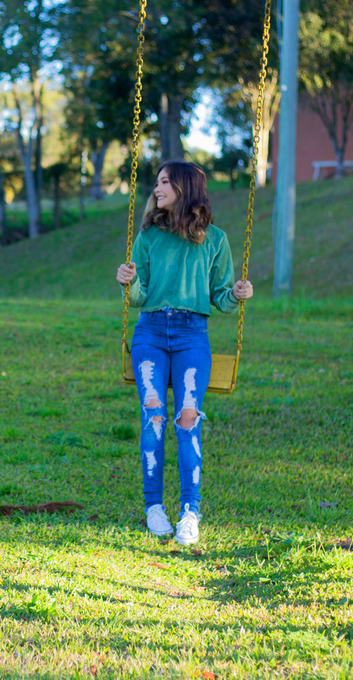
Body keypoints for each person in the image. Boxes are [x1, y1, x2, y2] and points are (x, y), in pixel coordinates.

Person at [115, 160, 253, 546]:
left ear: (184, 187)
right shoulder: (147, 237)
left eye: (163, 182)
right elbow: (140, 297)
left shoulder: (216, 240)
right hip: (151, 333)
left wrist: (238, 294)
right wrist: (129, 281)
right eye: (156, 183)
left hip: (193, 334)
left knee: (188, 418)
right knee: (154, 415)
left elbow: (220, 298)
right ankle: (154, 508)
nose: (156, 189)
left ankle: (190, 512)